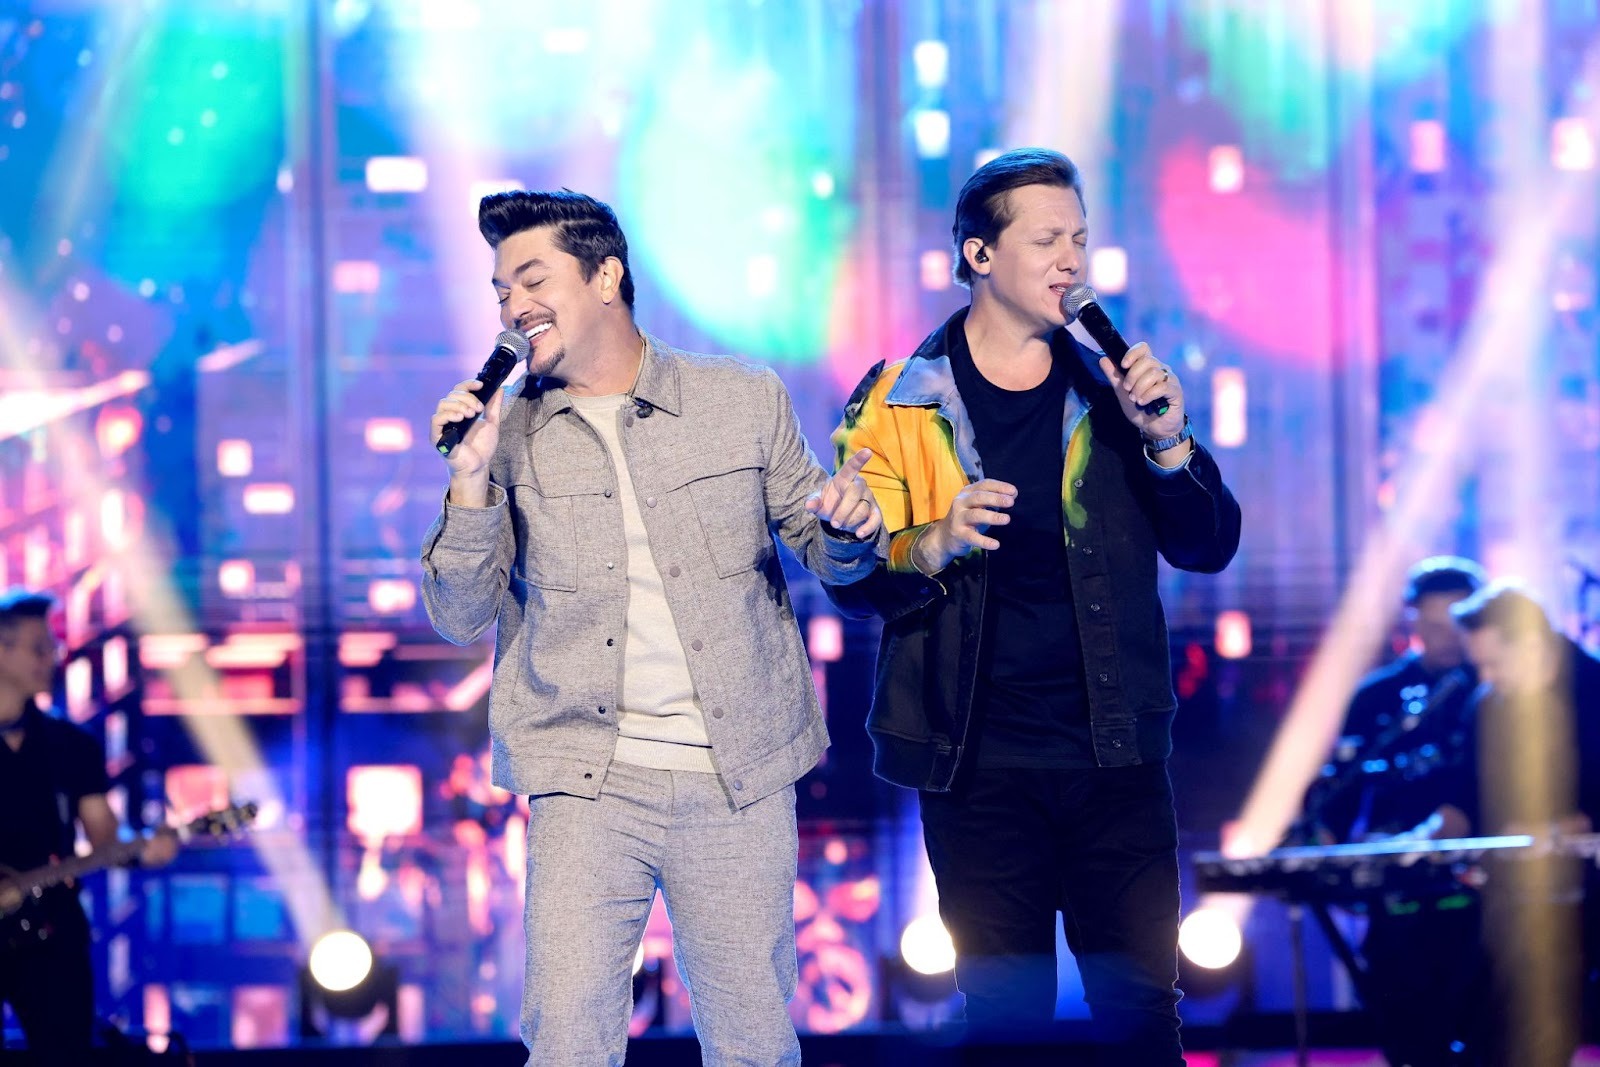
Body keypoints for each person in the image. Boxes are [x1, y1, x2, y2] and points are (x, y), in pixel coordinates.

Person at [420, 189, 884, 1066]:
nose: (514, 306)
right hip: (585, 778)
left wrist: (853, 529)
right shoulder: (505, 436)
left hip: (738, 771)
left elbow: (826, 549)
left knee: (751, 1043)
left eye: (533, 280)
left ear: (606, 277)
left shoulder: (739, 399)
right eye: (502, 291)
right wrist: (470, 479)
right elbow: (457, 613)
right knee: (567, 1040)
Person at [824, 148, 1241, 1062]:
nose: (1071, 260)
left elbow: (1208, 544)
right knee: (1006, 1018)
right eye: (1047, 239)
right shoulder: (900, 402)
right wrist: (930, 539)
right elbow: (852, 581)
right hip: (977, 764)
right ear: (980, 254)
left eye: (1079, 239)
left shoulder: (1111, 388)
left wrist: (1169, 441)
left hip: (1116, 759)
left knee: (1141, 1014)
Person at [0, 588, 177, 1055]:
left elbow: (105, 838)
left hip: (51, 934)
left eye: (52, 647)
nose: (51, 659)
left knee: (67, 1051)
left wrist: (142, 851)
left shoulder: (70, 745)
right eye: (39, 649)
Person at [1301, 555, 1487, 843]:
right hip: (1389, 849)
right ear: (1413, 621)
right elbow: (1344, 786)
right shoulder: (1375, 695)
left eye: (1457, 627)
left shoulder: (1493, 690)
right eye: (1436, 627)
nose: (1449, 639)